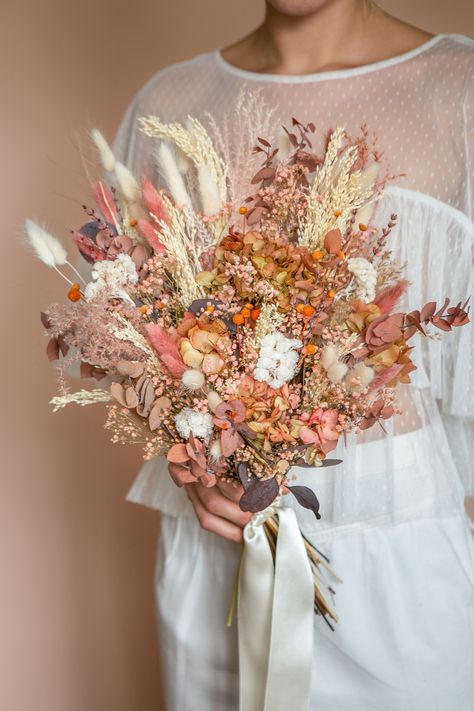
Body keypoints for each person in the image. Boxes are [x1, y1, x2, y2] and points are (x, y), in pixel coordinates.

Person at [111, 1, 474, 708]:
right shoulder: (171, 102)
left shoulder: (457, 91)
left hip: (402, 562)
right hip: (212, 559)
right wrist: (188, 457)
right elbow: (131, 337)